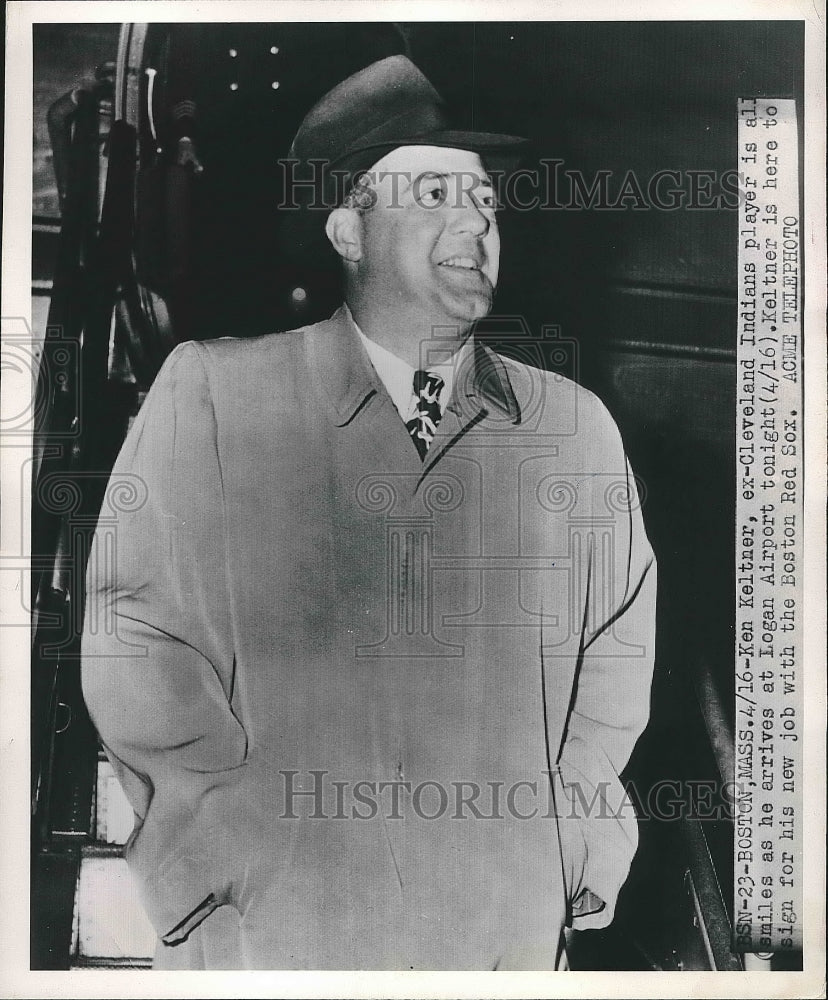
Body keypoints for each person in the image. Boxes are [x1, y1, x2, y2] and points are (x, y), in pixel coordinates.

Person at [81, 55, 656, 971]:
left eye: (486, 200)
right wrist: (222, 849)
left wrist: (567, 849)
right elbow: (138, 637)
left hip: (497, 936)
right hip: (277, 935)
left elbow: (614, 662)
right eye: (434, 193)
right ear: (348, 228)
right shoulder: (220, 397)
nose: (477, 221)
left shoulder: (572, 431)